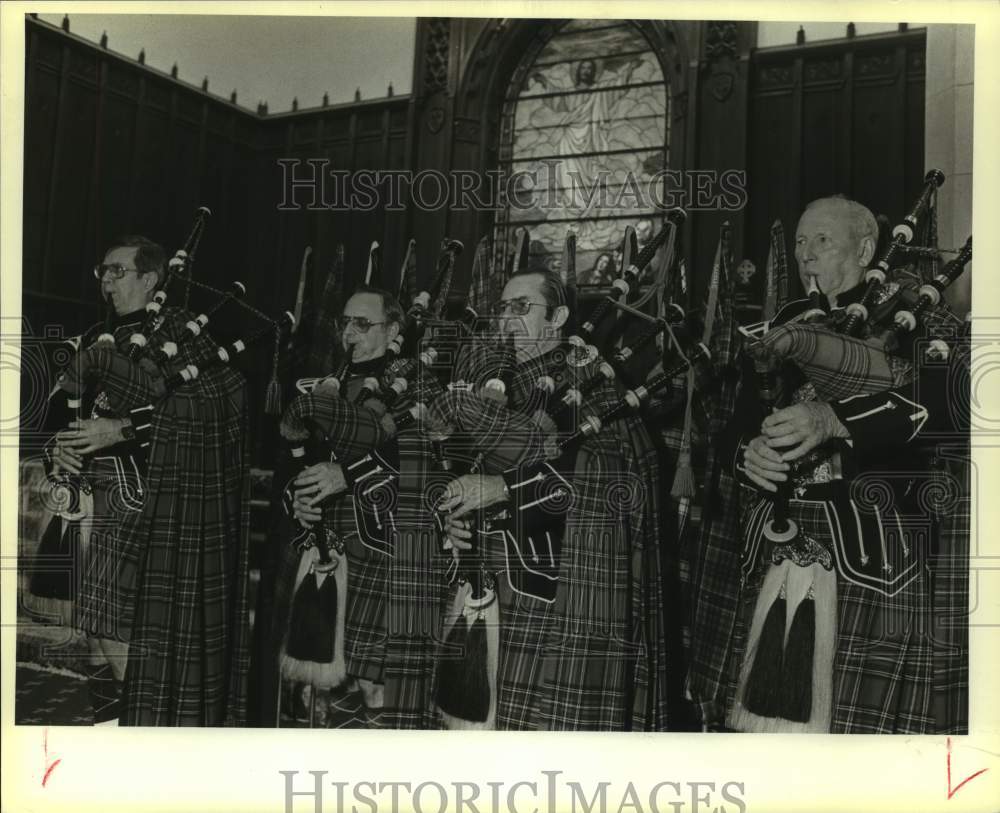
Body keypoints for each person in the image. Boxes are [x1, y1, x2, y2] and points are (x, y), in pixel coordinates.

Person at [719, 196, 966, 733]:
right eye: (800, 243)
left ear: (864, 248)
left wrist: (835, 418)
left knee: (858, 737)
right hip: (777, 544)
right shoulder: (784, 321)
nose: (806, 256)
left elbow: (951, 406)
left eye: (822, 241)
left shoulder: (920, 312)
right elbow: (735, 422)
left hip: (874, 548)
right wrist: (746, 454)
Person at [433, 268, 668, 729]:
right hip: (478, 581)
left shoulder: (590, 382)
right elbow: (456, 468)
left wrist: (504, 489)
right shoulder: (488, 384)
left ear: (558, 317)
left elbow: (611, 478)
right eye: (502, 308)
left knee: (531, 742)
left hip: (555, 592)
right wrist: (452, 515)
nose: (507, 319)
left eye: (522, 307)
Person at [45, 235, 251, 725]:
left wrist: (120, 427)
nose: (106, 282)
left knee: (113, 628)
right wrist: (58, 449)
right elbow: (61, 408)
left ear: (150, 278)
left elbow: (219, 412)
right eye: (104, 272)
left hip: (146, 500)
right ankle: (110, 732)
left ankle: (141, 739)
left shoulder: (183, 332)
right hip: (90, 502)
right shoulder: (101, 334)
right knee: (93, 632)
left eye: (117, 271)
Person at [266, 285, 406, 727]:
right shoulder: (321, 385)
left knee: (374, 680)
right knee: (329, 680)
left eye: (363, 323)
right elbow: (293, 458)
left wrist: (347, 476)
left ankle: (379, 783)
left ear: (393, 329)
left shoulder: (411, 382)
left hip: (376, 543)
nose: (349, 332)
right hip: (319, 541)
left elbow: (416, 455)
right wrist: (298, 502)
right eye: (344, 322)